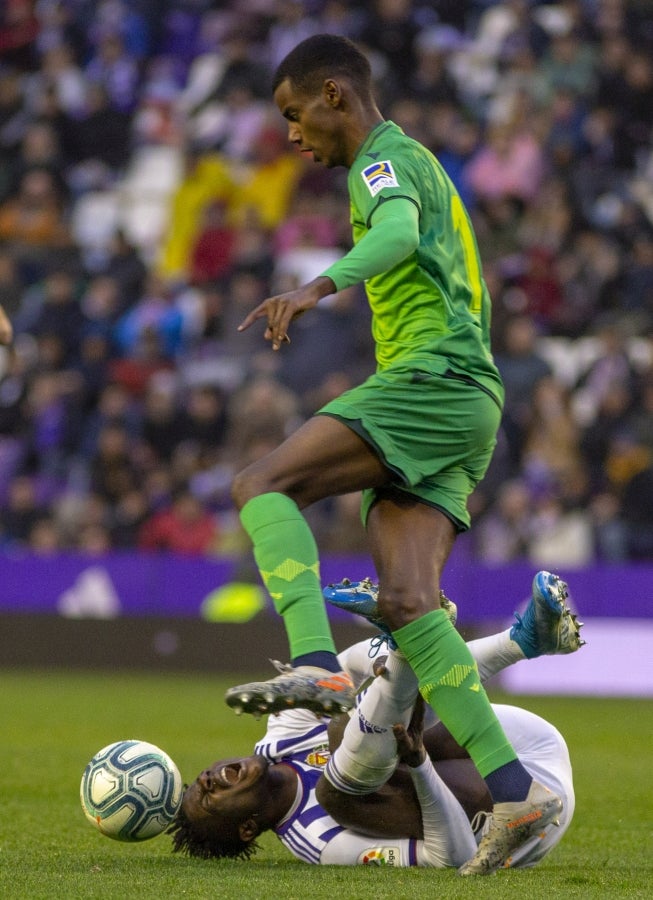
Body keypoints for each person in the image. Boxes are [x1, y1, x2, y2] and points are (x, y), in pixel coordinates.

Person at [226, 33, 557, 874]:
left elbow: (400, 238)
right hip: (469, 402)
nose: (293, 136)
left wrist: (314, 286)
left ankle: (312, 665)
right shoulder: (407, 161)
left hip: (434, 377)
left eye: (295, 115)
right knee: (411, 606)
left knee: (261, 483)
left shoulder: (383, 165)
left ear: (335, 94)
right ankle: (515, 795)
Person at [170, 571, 582, 869]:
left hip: (523, 742)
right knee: (337, 781)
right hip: (516, 824)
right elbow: (449, 856)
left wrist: (380, 661)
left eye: (201, 777)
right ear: (247, 828)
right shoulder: (318, 842)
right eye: (208, 799)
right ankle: (434, 640)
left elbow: (344, 668)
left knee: (341, 700)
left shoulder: (281, 732)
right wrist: (419, 767)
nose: (207, 779)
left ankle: (513, 641)